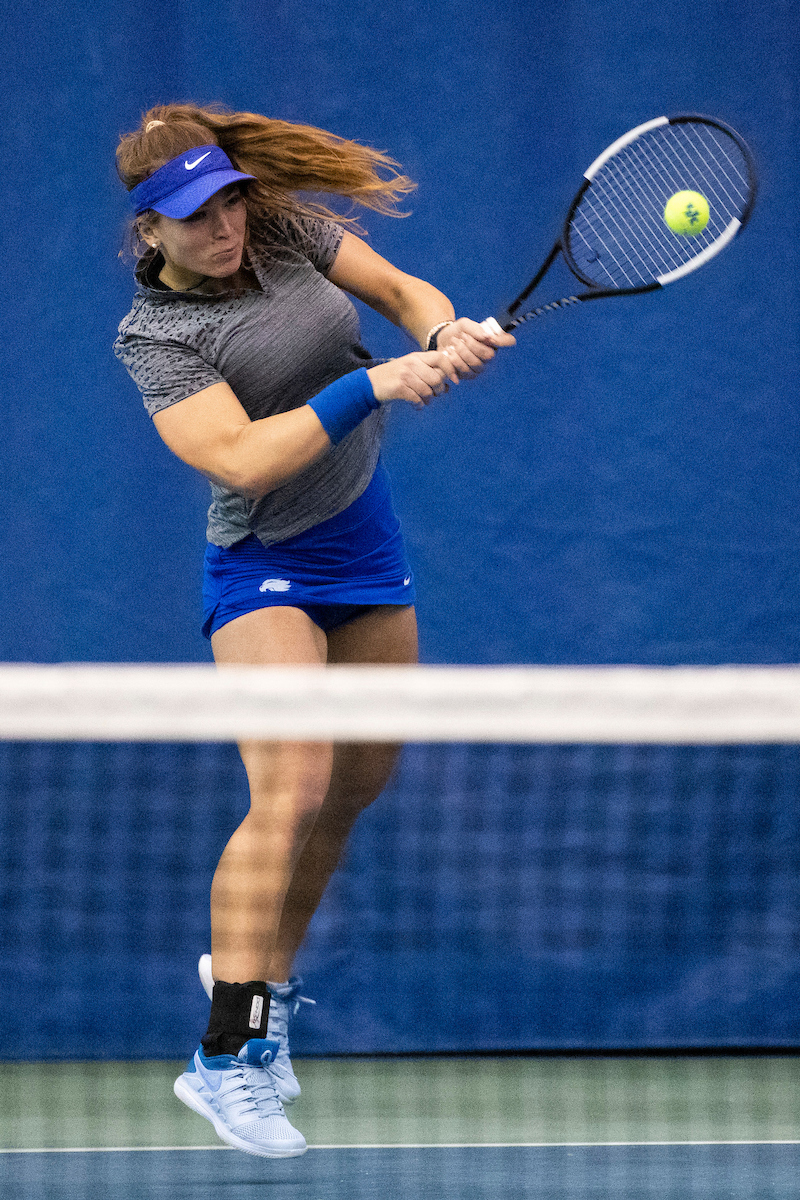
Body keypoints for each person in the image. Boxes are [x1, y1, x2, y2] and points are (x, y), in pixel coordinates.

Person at [114, 102, 514, 1160]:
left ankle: (268, 995)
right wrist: (373, 379)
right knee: (287, 787)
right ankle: (222, 1054)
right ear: (151, 230)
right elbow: (242, 459)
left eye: (231, 203)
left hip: (361, 547)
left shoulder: (283, 229)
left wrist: (436, 331)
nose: (225, 227)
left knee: (350, 792)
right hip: (264, 563)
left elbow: (396, 292)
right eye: (196, 218)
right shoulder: (155, 336)